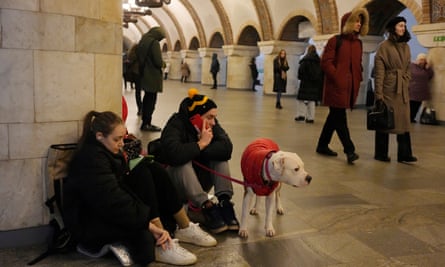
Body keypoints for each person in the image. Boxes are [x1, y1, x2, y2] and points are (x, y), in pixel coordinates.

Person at [63, 111, 217, 266]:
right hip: (89, 223)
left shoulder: (106, 150)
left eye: (123, 138)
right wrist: (147, 225)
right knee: (139, 227)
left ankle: (183, 226)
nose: (122, 143)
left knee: (151, 168)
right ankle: (161, 242)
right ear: (99, 136)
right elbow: (113, 201)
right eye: (117, 139)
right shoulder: (90, 160)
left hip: (107, 209)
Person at [154, 88, 239, 234]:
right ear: (195, 117)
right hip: (176, 184)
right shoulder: (176, 124)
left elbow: (227, 148)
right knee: (182, 162)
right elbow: (174, 154)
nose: (213, 122)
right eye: (209, 117)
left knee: (220, 158)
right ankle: (206, 206)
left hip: (198, 180)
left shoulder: (212, 125)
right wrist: (200, 144)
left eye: (214, 117)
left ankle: (224, 202)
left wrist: (203, 148)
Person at [315, 7, 369, 164]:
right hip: (336, 87)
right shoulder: (335, 40)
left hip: (350, 87)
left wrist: (357, 78)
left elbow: (358, 64)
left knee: (333, 117)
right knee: (340, 117)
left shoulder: (358, 43)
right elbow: (326, 62)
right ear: (349, 23)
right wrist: (338, 77)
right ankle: (349, 150)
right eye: (356, 21)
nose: (359, 24)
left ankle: (322, 145)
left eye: (360, 21)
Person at [373, 16, 417, 163]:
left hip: (402, 88)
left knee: (404, 121)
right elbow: (379, 72)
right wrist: (378, 94)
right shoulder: (384, 46)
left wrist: (407, 78)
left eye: (404, 25)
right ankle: (381, 153)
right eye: (400, 25)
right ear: (393, 28)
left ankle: (404, 154)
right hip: (388, 88)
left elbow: (408, 67)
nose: (403, 28)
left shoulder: (406, 46)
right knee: (384, 119)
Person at [137, 26, 165, 132]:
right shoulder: (154, 43)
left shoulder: (143, 41)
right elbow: (158, 61)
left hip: (144, 74)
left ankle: (145, 121)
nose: (160, 40)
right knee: (151, 101)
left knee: (146, 99)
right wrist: (164, 64)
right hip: (152, 76)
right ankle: (147, 124)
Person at [295, 45, 323, 123]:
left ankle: (301, 115)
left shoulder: (305, 60)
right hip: (314, 84)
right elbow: (321, 73)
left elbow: (301, 71)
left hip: (305, 83)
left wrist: (301, 78)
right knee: (312, 101)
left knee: (301, 99)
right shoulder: (319, 61)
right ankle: (311, 118)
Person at [409, 53, 434, 123]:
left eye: (423, 60)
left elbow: (430, 75)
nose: (422, 61)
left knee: (417, 106)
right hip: (411, 90)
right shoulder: (412, 66)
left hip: (421, 91)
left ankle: (412, 118)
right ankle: (408, 118)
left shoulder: (426, 69)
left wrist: (428, 68)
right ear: (417, 59)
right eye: (421, 59)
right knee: (410, 105)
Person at [127, 44, 143, 115]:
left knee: (138, 92)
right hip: (139, 74)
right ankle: (141, 107)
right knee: (139, 92)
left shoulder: (131, 55)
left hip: (135, 73)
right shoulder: (139, 55)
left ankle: (140, 108)